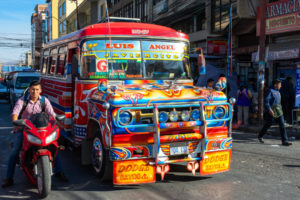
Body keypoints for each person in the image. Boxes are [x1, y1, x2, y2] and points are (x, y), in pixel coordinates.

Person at [2, 81, 68, 188]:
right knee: (15, 151)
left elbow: (52, 114)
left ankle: (59, 172)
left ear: (40, 91)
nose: (35, 92)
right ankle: (9, 178)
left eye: (37, 89)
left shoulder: (44, 100)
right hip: (24, 128)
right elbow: (15, 113)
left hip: (40, 129)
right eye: (32, 89)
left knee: (54, 146)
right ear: (29, 90)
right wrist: (15, 122)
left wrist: (58, 122)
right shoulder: (22, 100)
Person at [258, 79, 292, 146]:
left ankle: (285, 141)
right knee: (268, 124)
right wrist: (269, 110)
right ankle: (260, 135)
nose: (281, 86)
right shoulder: (271, 91)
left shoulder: (279, 92)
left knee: (282, 125)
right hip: (272, 111)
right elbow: (266, 102)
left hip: (279, 111)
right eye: (280, 84)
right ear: (275, 84)